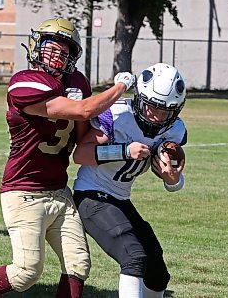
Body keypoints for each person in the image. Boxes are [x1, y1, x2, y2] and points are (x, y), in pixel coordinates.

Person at [0, 17, 136, 298]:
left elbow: (83, 138)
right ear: (36, 47)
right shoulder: (24, 82)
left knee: (78, 264)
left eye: (64, 52)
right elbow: (81, 111)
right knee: (27, 271)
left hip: (58, 191)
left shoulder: (76, 82)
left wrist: (112, 131)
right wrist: (120, 87)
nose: (56, 56)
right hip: (23, 190)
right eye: (50, 48)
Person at [71, 63, 187, 298]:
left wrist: (173, 179)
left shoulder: (173, 130)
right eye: (152, 107)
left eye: (166, 111)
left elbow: (173, 179)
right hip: (92, 194)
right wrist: (123, 151)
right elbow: (80, 155)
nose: (157, 116)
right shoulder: (117, 115)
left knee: (157, 272)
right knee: (134, 257)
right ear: (139, 99)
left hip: (120, 199)